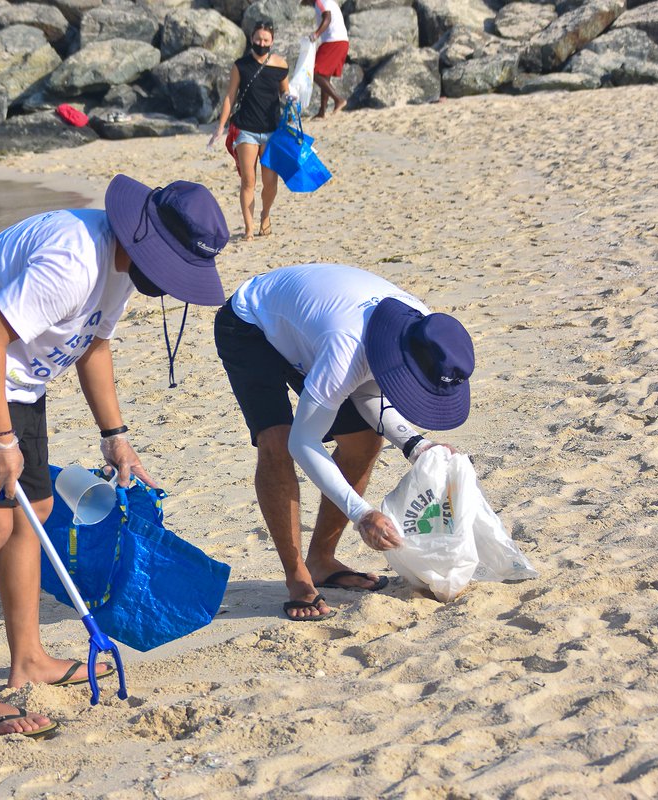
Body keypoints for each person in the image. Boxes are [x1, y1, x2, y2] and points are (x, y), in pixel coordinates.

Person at [0, 175, 229, 738]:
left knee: (37, 512)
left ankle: (28, 659)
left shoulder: (121, 265)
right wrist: (0, 441)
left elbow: (93, 344)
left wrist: (114, 434)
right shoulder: (72, 260)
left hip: (19, 382)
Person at [214, 264, 475, 621]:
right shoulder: (347, 347)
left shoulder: (427, 331)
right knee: (278, 441)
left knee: (365, 442)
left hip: (316, 331)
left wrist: (416, 444)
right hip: (251, 324)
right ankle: (298, 578)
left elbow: (368, 385)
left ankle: (321, 560)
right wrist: (362, 514)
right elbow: (304, 442)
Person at [208, 19, 289, 241]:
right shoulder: (240, 65)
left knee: (270, 182)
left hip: (272, 130)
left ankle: (265, 216)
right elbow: (230, 96)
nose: (261, 43)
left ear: (272, 41)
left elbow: (285, 93)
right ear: (251, 38)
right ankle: (249, 228)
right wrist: (221, 126)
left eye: (266, 39)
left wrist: (292, 98)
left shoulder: (280, 65)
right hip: (246, 129)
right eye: (257, 39)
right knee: (248, 180)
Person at [301, 0, 349, 118]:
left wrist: (316, 34)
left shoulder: (321, 2)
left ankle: (338, 99)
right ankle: (322, 111)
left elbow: (327, 18)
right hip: (340, 41)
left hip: (334, 42)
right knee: (324, 76)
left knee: (313, 71)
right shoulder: (324, 2)